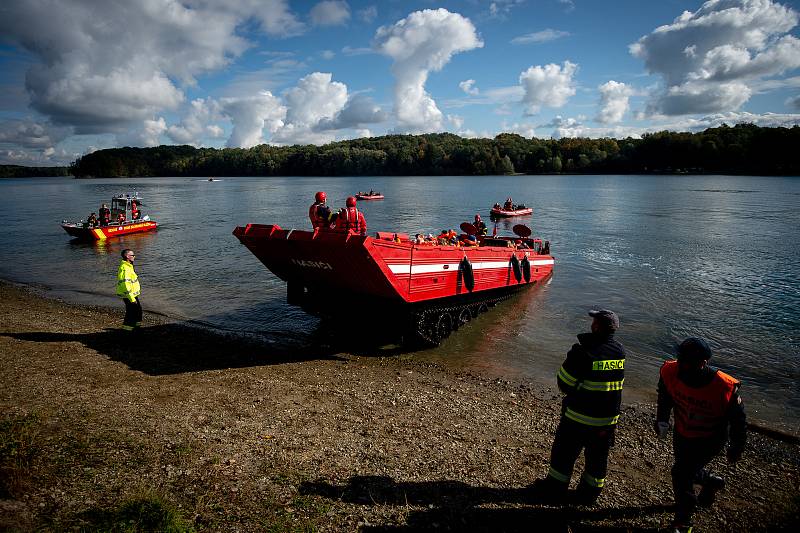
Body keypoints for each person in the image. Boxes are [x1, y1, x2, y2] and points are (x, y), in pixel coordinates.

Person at [532, 309, 625, 505]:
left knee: (563, 455)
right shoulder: (620, 352)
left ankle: (554, 491)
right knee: (597, 459)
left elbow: (564, 383)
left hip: (578, 418)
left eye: (594, 321)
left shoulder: (582, 352)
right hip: (607, 422)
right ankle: (589, 495)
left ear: (596, 326)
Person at [656, 337, 746, 532]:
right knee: (685, 471)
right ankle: (712, 481)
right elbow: (664, 395)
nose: (682, 365)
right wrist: (662, 419)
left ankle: (683, 522)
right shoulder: (670, 371)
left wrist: (737, 446)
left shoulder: (724, 386)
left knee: (680, 474)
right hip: (682, 433)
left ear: (703, 363)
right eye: (680, 358)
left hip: (710, 439)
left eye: (687, 362)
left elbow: (738, 420)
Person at [116, 249, 142, 332]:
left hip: (132, 294)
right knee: (131, 312)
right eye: (133, 255)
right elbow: (126, 284)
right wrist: (131, 298)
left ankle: (136, 326)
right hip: (129, 295)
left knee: (138, 310)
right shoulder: (125, 268)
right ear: (127, 256)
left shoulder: (128, 266)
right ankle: (127, 330)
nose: (134, 257)